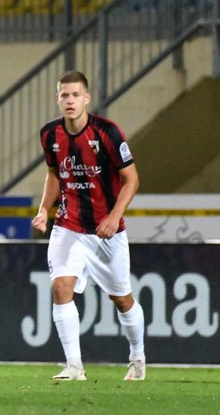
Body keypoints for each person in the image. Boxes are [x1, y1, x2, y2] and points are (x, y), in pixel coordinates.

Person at [31, 70, 146, 382]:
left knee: (121, 298)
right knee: (60, 287)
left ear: (86, 98)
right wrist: (44, 209)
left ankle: (137, 355)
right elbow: (54, 174)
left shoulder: (107, 132)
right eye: (64, 95)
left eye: (75, 95)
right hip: (69, 225)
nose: (69, 100)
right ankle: (74, 366)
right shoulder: (49, 134)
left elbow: (131, 179)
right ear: (58, 98)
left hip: (106, 230)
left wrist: (113, 216)